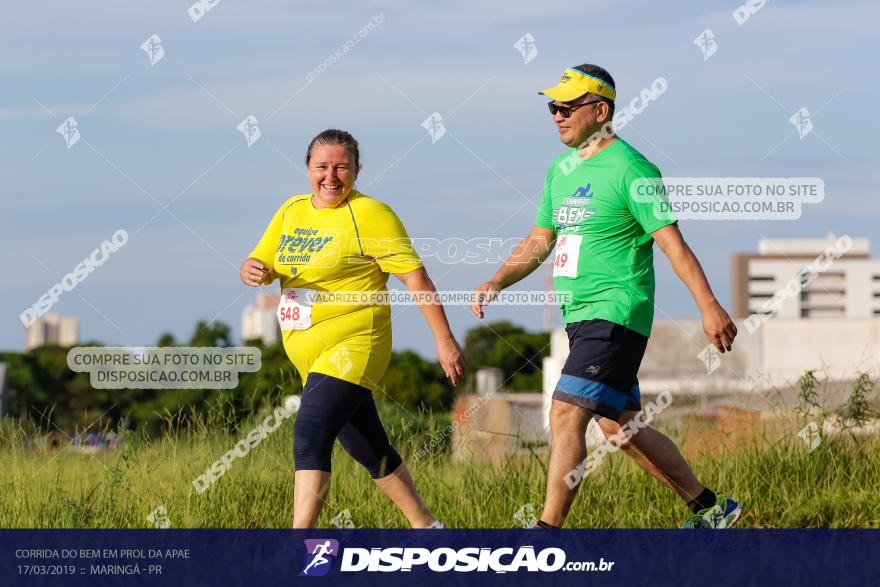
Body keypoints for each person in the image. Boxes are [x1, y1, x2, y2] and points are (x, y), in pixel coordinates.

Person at [471, 65, 741, 529]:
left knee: (564, 413)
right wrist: (497, 281)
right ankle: (712, 510)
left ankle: (546, 535)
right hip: (580, 318)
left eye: (566, 106)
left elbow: (672, 244)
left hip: (616, 313)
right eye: (552, 106)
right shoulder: (562, 169)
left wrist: (708, 305)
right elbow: (540, 240)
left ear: (601, 111)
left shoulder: (633, 169)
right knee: (620, 429)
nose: (556, 114)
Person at [241, 129, 466, 528]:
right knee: (367, 445)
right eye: (322, 167)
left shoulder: (371, 214)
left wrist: (444, 341)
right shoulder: (291, 210)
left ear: (357, 170)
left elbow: (417, 280)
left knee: (310, 433)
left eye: (341, 167)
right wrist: (252, 270)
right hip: (308, 354)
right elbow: (263, 260)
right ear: (308, 169)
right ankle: (429, 529)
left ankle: (298, 549)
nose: (331, 176)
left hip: (356, 344)